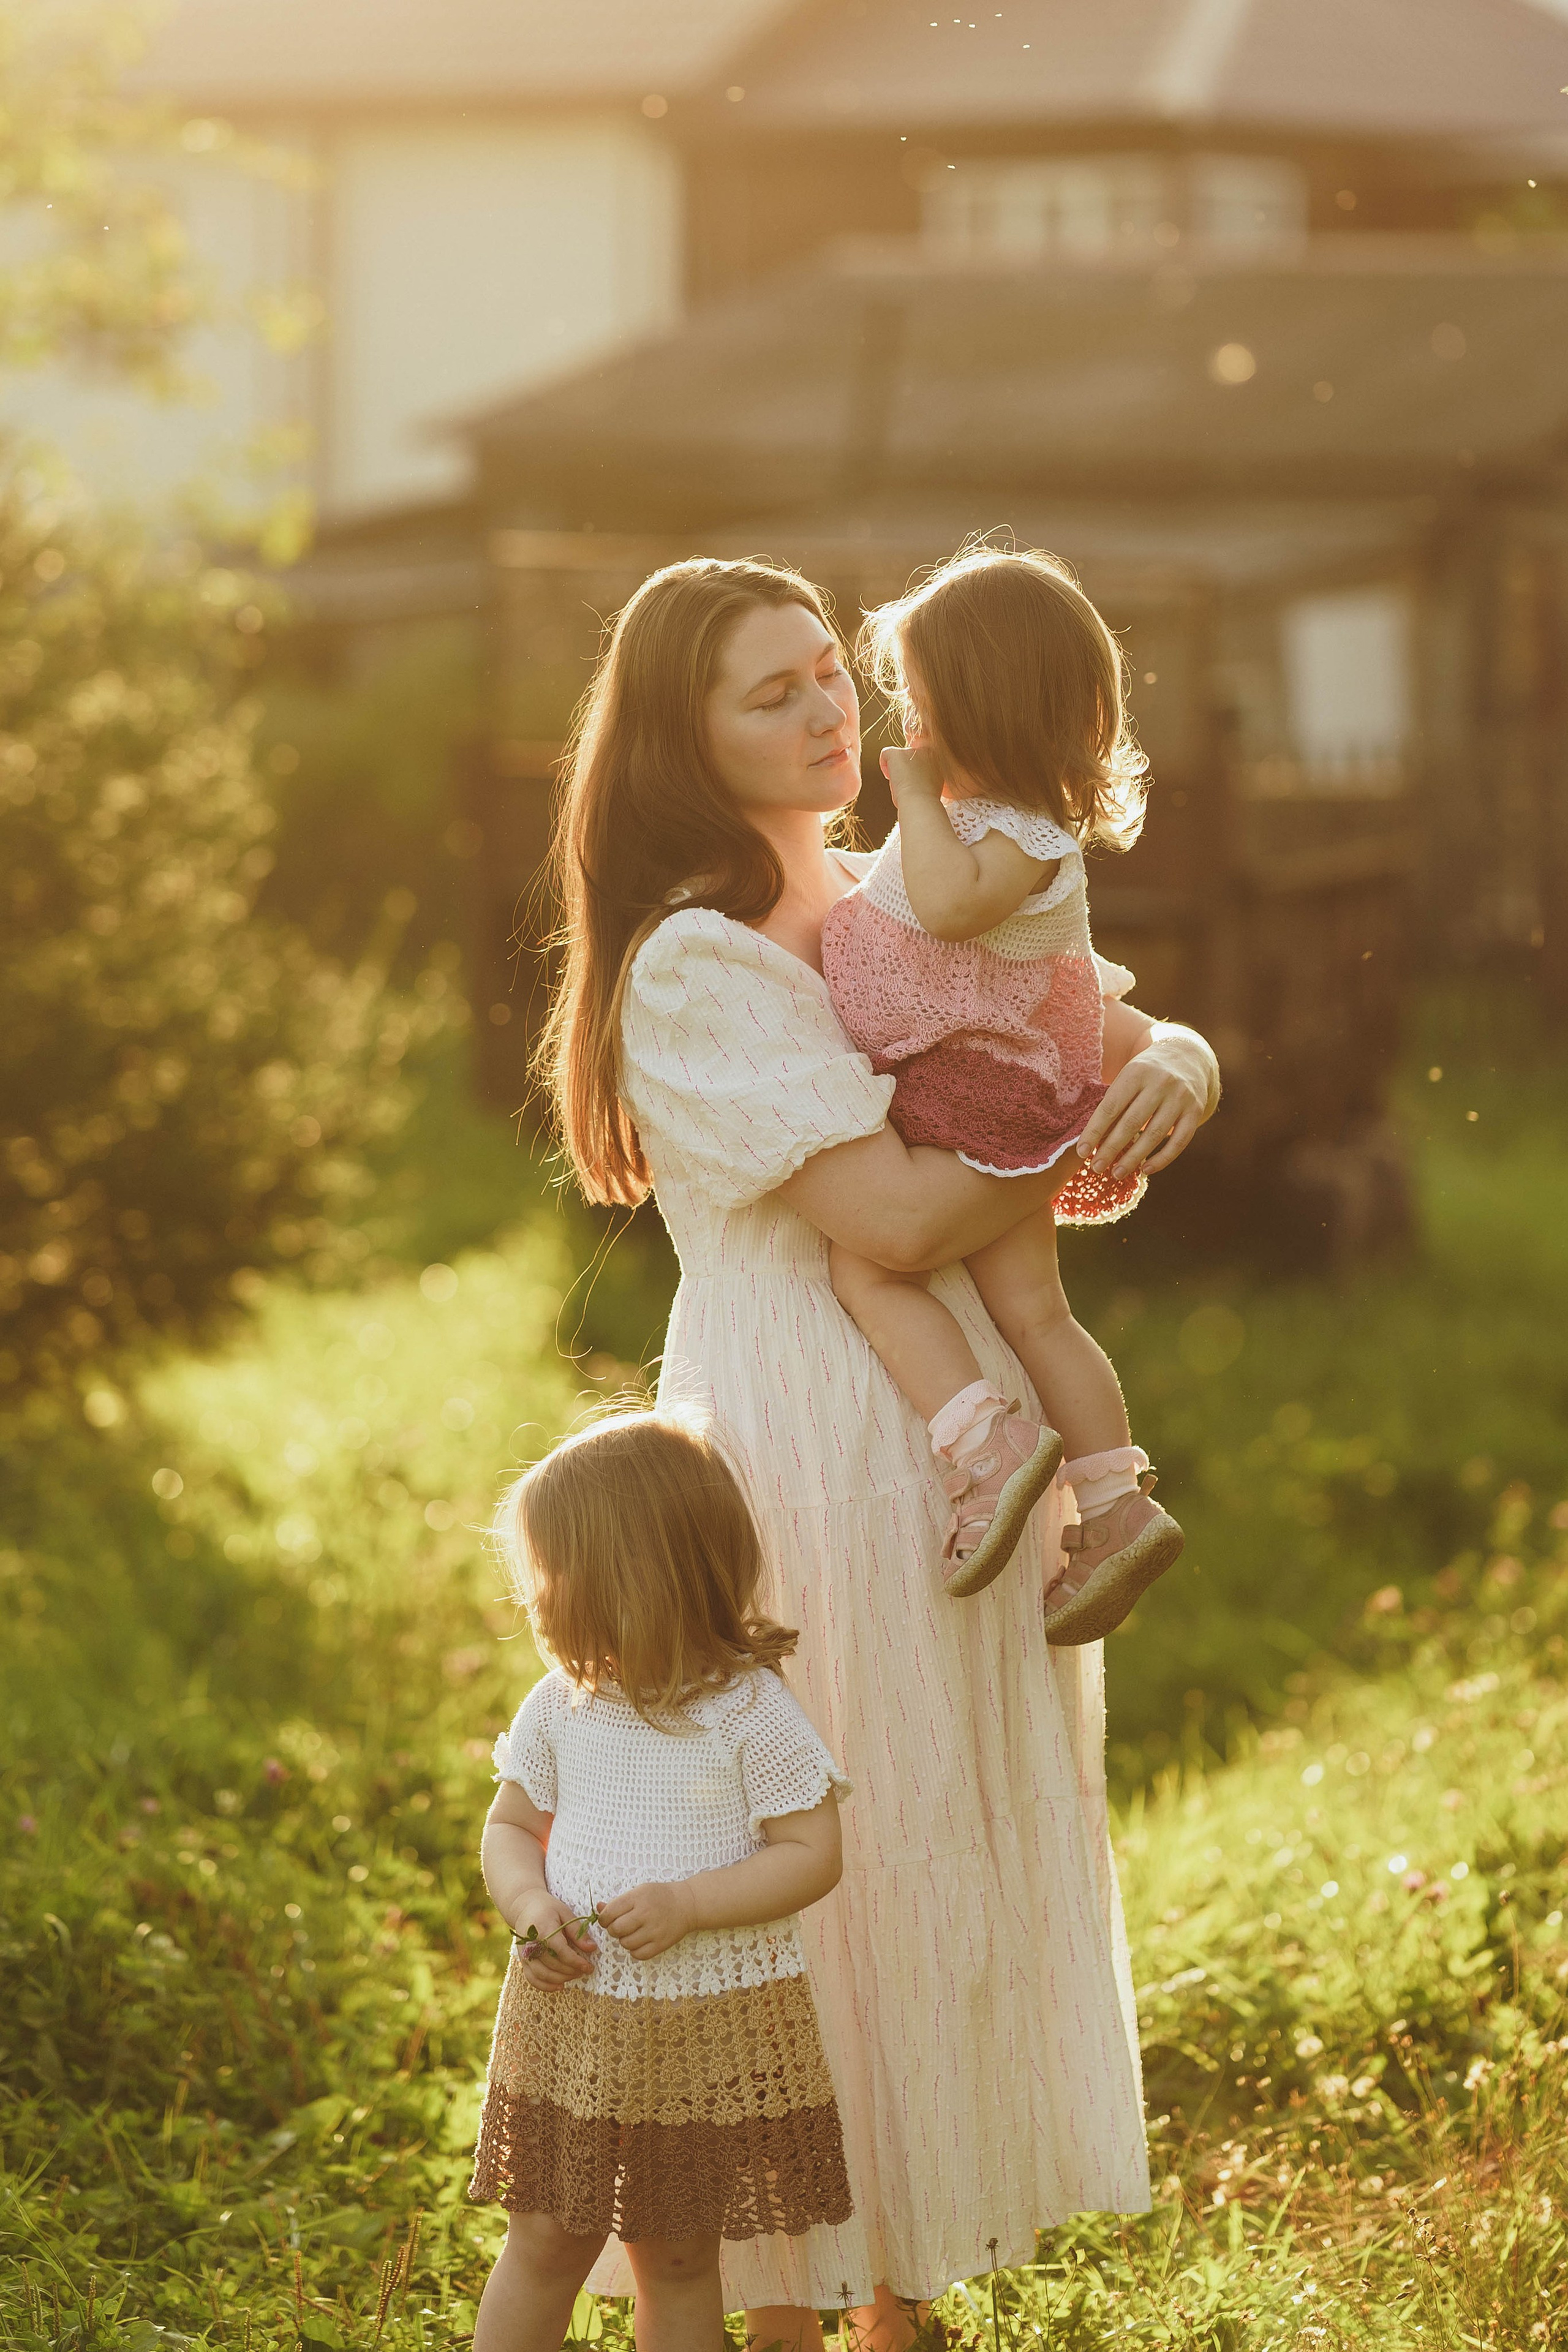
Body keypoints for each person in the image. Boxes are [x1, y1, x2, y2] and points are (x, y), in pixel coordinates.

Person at [538, 554, 1221, 2349]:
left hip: (956, 1434)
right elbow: (905, 1219)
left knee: (929, 1847)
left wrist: (1190, 1059)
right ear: (687, 743)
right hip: (806, 1449)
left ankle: (896, 2300)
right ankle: (783, 2301)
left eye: (829, 675)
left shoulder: (891, 888)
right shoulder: (693, 962)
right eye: (771, 695)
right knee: (806, 1858)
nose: (831, 712)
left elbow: (1078, 1000)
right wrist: (1074, 1097)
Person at [820, 547, 1185, 1627]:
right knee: (1034, 1308)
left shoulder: (1020, 838)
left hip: (971, 1099)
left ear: (987, 710)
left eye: (922, 708)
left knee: (870, 1269)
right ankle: (1114, 1504)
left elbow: (939, 908)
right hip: (987, 1090)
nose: (908, 731)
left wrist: (915, 794)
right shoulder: (1004, 825)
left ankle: (988, 1443)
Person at [470, 1408, 853, 2352]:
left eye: (555, 1576)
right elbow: (511, 1827)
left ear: (636, 1577)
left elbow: (813, 1853)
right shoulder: (563, 1705)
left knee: (678, 2255)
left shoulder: (749, 1711)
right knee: (548, 2234)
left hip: (704, 2024)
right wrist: (529, 1906)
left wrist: (692, 1904)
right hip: (575, 2016)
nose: (540, 1601)